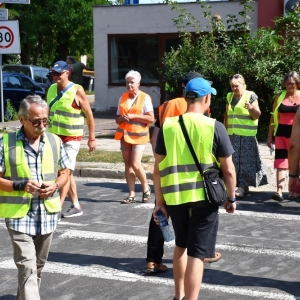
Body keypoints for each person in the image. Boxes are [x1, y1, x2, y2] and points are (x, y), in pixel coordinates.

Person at [152, 77, 236, 300]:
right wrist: (231, 197)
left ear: (186, 97)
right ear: (207, 98)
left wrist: (159, 202)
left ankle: (178, 296)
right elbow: (228, 170)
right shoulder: (214, 126)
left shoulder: (168, 126)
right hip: (205, 198)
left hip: (175, 197)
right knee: (197, 253)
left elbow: (157, 169)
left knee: (181, 245)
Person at [146, 72, 219, 275]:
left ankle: (153, 258)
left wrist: (158, 159)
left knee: (161, 215)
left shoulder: (166, 106)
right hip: (195, 178)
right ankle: (206, 251)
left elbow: (157, 134)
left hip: (170, 173)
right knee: (196, 234)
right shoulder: (201, 107)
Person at [0, 95, 70, 300]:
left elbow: (65, 172)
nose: (42, 125)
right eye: (37, 121)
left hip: (47, 216)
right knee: (27, 267)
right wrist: (18, 185)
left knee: (36, 268)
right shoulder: (6, 143)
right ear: (22, 120)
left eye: (45, 120)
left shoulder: (55, 141)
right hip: (19, 217)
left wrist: (56, 185)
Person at [47, 61, 96, 217]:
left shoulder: (77, 90)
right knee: (66, 172)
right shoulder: (51, 89)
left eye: (58, 73)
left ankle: (57, 208)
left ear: (67, 73)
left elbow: (89, 114)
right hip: (54, 137)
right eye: (53, 74)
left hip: (71, 138)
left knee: (65, 172)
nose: (55, 76)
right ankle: (75, 205)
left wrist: (92, 138)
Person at [225, 74, 268, 198]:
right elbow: (227, 116)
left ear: (243, 85)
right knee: (234, 161)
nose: (234, 88)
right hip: (233, 135)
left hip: (246, 136)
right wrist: (224, 132)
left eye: (236, 86)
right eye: (232, 86)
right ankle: (243, 185)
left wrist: (250, 108)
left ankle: (242, 187)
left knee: (244, 162)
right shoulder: (229, 96)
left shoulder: (251, 96)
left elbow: (257, 114)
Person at [114, 70, 154, 204]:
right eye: (127, 82)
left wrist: (133, 116)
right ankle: (131, 193)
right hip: (125, 135)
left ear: (138, 83)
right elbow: (117, 118)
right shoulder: (123, 97)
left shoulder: (145, 97)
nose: (129, 85)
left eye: (132, 82)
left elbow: (151, 118)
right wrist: (121, 118)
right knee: (128, 164)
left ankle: (145, 187)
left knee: (136, 163)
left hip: (139, 136)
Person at [267, 71, 300, 201]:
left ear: (297, 83)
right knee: (280, 162)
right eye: (287, 84)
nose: (289, 86)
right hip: (281, 134)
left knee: (297, 163)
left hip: (297, 135)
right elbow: (273, 117)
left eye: (291, 83)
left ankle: (294, 192)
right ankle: (279, 191)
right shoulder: (280, 97)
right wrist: (270, 136)